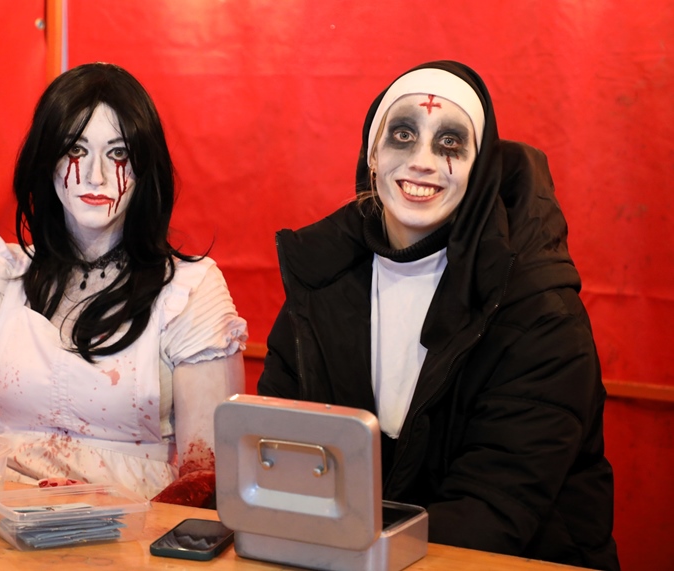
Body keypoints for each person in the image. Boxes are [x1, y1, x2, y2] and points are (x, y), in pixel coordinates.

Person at [257, 61, 619, 570]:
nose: (422, 162)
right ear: (372, 154)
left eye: (450, 142)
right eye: (403, 135)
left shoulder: (541, 312)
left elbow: (493, 510)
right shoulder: (321, 284)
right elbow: (281, 457)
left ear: (479, 170)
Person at [0, 62, 247, 508]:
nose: (96, 175)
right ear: (47, 159)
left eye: (118, 154)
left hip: (133, 528)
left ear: (145, 166)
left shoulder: (191, 292)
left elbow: (208, 477)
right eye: (76, 149)